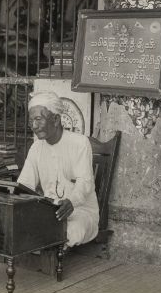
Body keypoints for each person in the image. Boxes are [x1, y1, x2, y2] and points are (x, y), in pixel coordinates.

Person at [17, 91, 99, 247]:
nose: (34, 126)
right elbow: (24, 184)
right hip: (48, 212)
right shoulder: (36, 147)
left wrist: (71, 202)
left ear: (55, 119)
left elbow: (85, 182)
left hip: (80, 212)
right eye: (31, 121)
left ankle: (50, 253)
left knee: (70, 230)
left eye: (39, 119)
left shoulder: (80, 143)